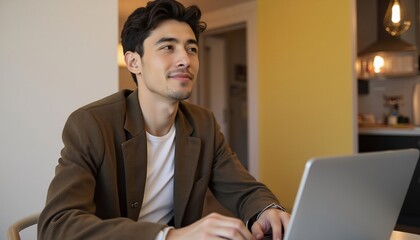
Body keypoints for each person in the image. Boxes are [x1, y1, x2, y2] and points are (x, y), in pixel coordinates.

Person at [37, 0, 290, 239]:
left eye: (191, 49)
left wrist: (267, 210)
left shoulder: (204, 125)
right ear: (134, 62)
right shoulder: (91, 124)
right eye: (168, 47)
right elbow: (57, 225)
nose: (185, 60)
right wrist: (168, 235)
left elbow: (244, 189)